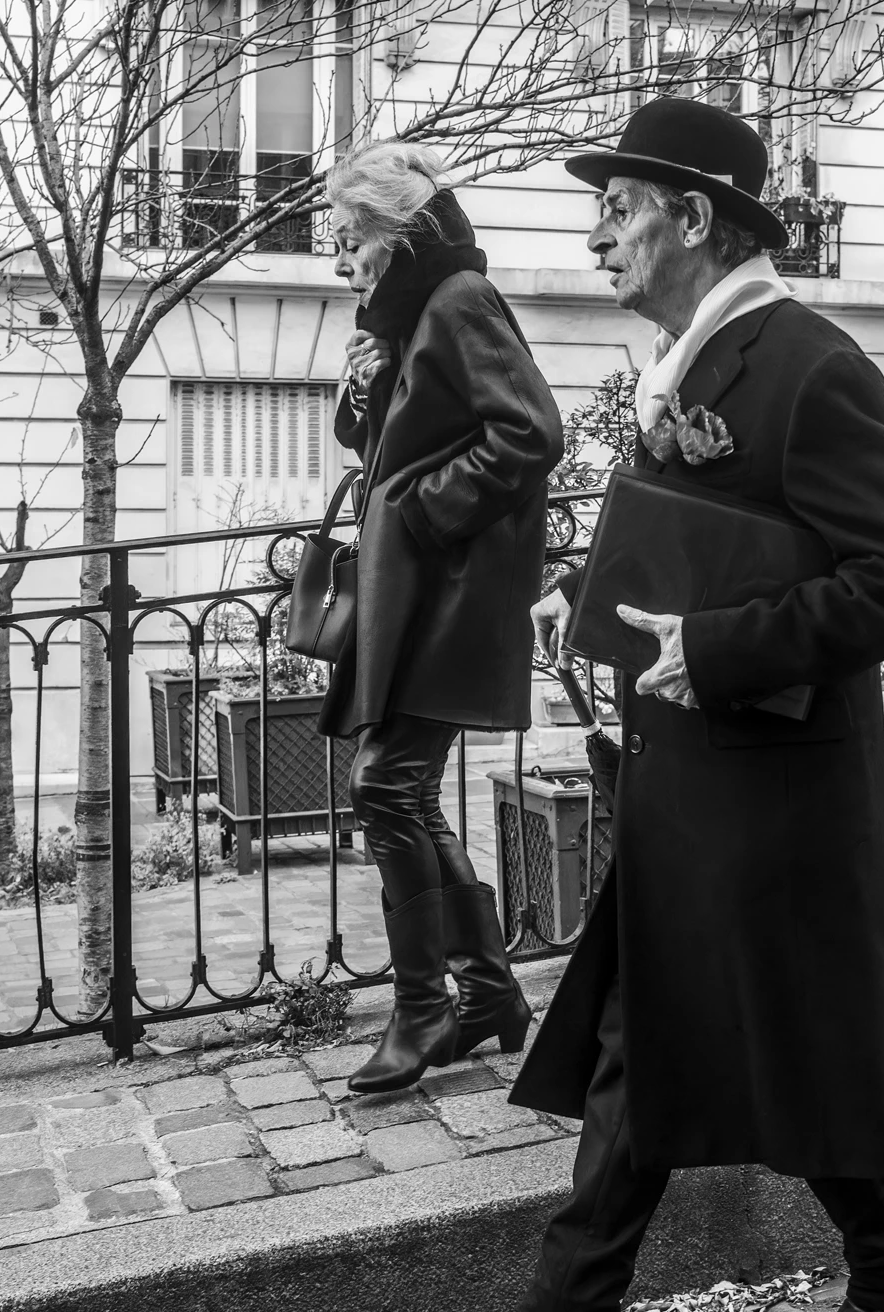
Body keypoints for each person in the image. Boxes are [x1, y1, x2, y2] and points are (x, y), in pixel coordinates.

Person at [385, 98, 884, 1312]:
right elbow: (716, 538)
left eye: (620, 208)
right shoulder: (695, 364)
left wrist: (718, 648)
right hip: (693, 778)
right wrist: (591, 599)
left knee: (784, 1041)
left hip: (776, 786)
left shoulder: (810, 366)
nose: (597, 234)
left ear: (695, 219)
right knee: (650, 1038)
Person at [316, 142, 565, 1096]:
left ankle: (425, 1005)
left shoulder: (460, 302)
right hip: (417, 595)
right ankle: (489, 996)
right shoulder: (414, 318)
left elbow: (531, 431)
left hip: (448, 595)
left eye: (349, 238)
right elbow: (397, 441)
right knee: (401, 791)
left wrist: (424, 516)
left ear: (390, 232)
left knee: (385, 786)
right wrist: (362, 391)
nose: (342, 259)